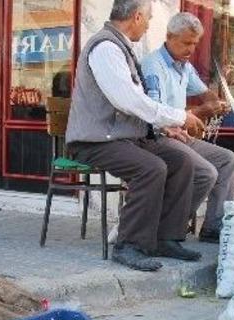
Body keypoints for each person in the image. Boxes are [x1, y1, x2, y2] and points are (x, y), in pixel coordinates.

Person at [65, 0, 206, 272]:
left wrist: (164, 126)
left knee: (182, 162)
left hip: (121, 137)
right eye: (150, 18)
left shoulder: (121, 47)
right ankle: (129, 245)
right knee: (151, 169)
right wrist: (178, 116)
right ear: (137, 16)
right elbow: (127, 100)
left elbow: (135, 103)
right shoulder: (105, 47)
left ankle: (165, 237)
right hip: (94, 141)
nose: (150, 24)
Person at [142, 12, 234, 243]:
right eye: (186, 43)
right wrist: (201, 112)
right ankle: (167, 228)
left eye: (195, 44)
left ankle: (213, 227)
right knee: (207, 172)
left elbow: (203, 92)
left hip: (180, 136)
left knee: (229, 160)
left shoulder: (184, 66)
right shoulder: (153, 65)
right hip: (157, 137)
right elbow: (157, 115)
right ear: (169, 36)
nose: (191, 49)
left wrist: (214, 102)